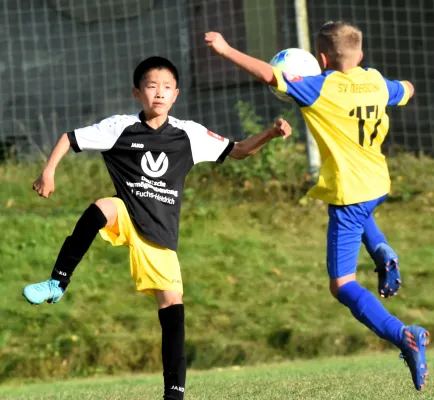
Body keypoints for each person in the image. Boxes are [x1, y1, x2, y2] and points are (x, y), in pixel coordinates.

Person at [22, 56, 292, 400]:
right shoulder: (119, 127)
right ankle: (57, 282)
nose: (159, 94)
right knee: (101, 208)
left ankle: (174, 393)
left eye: (166, 88)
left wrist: (269, 133)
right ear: (138, 93)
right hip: (127, 215)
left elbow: (237, 151)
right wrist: (48, 172)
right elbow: (69, 138)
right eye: (151, 87)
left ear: (176, 94)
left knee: (172, 307)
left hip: (160, 234)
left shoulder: (188, 134)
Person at [205, 21, 429, 391]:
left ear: (322, 59)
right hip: (378, 182)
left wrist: (226, 50)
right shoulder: (374, 80)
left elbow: (268, 75)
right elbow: (406, 88)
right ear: (360, 55)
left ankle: (404, 334)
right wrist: (397, 87)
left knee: (341, 285)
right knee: (359, 211)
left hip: (350, 191)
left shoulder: (320, 87)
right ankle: (381, 249)